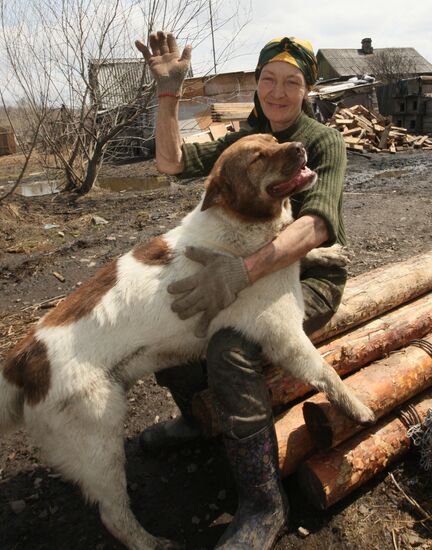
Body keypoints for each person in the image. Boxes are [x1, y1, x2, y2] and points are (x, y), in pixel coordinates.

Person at [135, 31, 347, 549]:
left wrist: (240, 273)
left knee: (230, 346)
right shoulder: (246, 139)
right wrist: (168, 95)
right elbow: (170, 163)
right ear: (256, 84)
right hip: (244, 271)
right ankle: (197, 419)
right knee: (167, 315)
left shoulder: (319, 139)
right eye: (269, 79)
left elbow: (317, 227)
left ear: (306, 90)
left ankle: (263, 501)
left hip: (306, 279)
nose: (278, 91)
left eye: (292, 82)